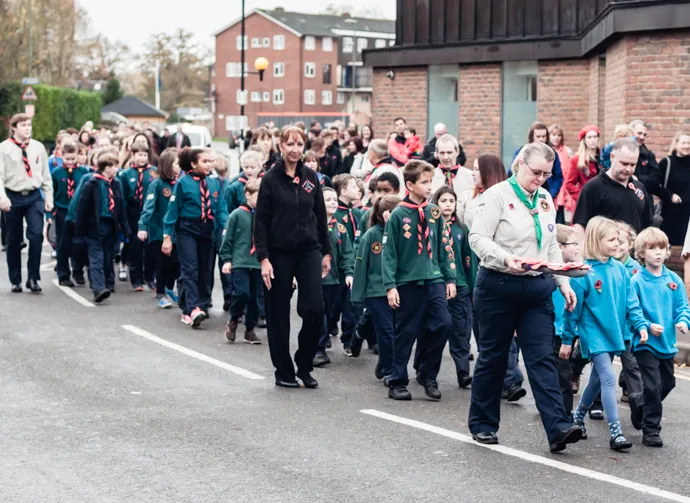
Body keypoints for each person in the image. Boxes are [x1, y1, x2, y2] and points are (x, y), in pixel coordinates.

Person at [469, 141, 581, 452]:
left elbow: (551, 246)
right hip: (498, 285)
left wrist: (564, 282)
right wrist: (505, 258)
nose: (541, 179)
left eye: (547, 174)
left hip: (536, 289)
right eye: (536, 172)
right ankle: (483, 424)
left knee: (542, 357)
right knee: (493, 357)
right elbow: (477, 238)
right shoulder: (497, 197)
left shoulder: (545, 199)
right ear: (519, 164)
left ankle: (558, 426)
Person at [561, 216, 649, 451]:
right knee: (609, 378)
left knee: (598, 380)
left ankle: (577, 417)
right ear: (595, 240)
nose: (618, 244)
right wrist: (568, 340)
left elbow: (632, 303)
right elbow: (572, 310)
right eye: (612, 239)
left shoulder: (620, 269)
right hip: (595, 334)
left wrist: (640, 325)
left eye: (619, 240)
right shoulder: (583, 273)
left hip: (615, 334)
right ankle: (615, 432)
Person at [254, 126, 331, 389]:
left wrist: (326, 251)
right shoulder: (270, 179)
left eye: (299, 144)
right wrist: (263, 258)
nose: (295, 149)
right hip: (278, 252)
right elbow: (261, 222)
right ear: (281, 146)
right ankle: (283, 371)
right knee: (278, 315)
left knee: (313, 308)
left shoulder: (311, 178)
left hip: (309, 249)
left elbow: (320, 216)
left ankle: (304, 364)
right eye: (290, 144)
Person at [382, 160, 456, 401]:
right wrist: (390, 286)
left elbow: (443, 246)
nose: (429, 186)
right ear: (410, 185)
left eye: (431, 181)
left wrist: (449, 278)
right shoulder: (398, 215)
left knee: (444, 323)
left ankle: (428, 374)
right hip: (408, 281)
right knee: (406, 332)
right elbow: (389, 252)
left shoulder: (434, 212)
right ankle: (397, 381)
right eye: (424, 182)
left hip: (434, 278)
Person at [630, 227, 690, 447]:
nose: (658, 252)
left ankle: (640, 402)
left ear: (667, 252)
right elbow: (631, 309)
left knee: (668, 383)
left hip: (667, 344)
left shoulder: (673, 279)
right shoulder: (636, 281)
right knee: (653, 386)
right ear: (641, 253)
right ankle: (651, 430)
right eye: (651, 248)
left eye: (661, 248)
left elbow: (682, 306)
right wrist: (646, 325)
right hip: (645, 342)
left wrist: (683, 321)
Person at [163, 148, 228, 328]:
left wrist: (228, 229)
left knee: (205, 270)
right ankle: (192, 310)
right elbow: (172, 211)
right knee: (190, 269)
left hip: (207, 231)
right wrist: (167, 236)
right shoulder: (183, 183)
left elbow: (221, 209)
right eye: (205, 161)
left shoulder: (214, 183)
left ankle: (194, 305)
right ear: (193, 164)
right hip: (187, 230)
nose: (209, 165)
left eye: (210, 161)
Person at [0, 113, 53, 293]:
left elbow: (46, 175)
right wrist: (2, 198)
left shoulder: (38, 147)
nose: (27, 128)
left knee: (36, 235)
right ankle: (16, 279)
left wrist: (48, 198)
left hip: (33, 196)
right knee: (13, 240)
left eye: (29, 125)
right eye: (23, 125)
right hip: (12, 196)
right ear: (14, 128)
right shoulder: (4, 148)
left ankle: (33, 277)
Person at [352, 194, 400, 381]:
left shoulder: (401, 233)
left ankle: (383, 364)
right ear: (382, 214)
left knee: (396, 332)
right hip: (377, 292)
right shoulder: (371, 235)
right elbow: (361, 265)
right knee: (386, 333)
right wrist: (358, 295)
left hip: (397, 290)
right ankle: (389, 369)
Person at [428, 186, 473, 388]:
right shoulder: (430, 226)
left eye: (451, 201)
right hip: (437, 284)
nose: (447, 205)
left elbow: (468, 260)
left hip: (461, 286)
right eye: (443, 200)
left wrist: (471, 286)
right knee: (434, 329)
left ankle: (463, 372)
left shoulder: (461, 229)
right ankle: (425, 368)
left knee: (460, 330)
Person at [75, 153, 130, 303]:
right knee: (96, 258)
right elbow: (82, 209)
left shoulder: (115, 184)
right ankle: (98, 289)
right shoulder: (91, 185)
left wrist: (126, 228)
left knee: (108, 256)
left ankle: (107, 283)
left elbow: (121, 206)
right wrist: (79, 232)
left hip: (111, 226)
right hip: (95, 226)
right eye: (115, 166)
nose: (118, 169)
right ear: (107, 168)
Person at [573, 137, 653, 236]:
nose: (628, 169)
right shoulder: (593, 187)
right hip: (603, 250)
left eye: (633, 165)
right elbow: (580, 225)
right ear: (612, 157)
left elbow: (648, 226)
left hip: (634, 249)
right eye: (624, 163)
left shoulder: (639, 187)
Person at [314, 187, 354, 366]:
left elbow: (347, 252)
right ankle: (318, 350)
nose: (332, 202)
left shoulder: (340, 228)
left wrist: (349, 272)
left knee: (331, 312)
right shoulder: (312, 225)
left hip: (335, 278)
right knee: (319, 312)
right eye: (328, 199)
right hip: (315, 278)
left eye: (334, 199)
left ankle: (325, 335)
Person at [221, 178, 263, 345]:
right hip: (240, 262)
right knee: (242, 293)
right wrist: (226, 259)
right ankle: (233, 319)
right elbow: (227, 238)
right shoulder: (237, 214)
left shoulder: (264, 217)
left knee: (255, 299)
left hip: (258, 262)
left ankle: (250, 330)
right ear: (248, 194)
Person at [137, 149, 181, 309]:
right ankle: (161, 293)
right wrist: (142, 226)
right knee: (162, 264)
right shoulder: (156, 184)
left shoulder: (180, 182)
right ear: (168, 165)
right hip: (158, 232)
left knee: (176, 263)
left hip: (175, 231)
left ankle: (170, 287)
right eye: (176, 163)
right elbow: (148, 207)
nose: (179, 166)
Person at [332, 174, 362, 354]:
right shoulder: (335, 213)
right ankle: (326, 331)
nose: (358, 190)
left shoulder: (356, 213)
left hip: (353, 266)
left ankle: (348, 340)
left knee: (351, 305)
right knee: (333, 305)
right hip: (337, 265)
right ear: (343, 191)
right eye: (354, 186)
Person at [52, 141, 89, 287]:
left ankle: (78, 271)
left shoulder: (84, 173)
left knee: (79, 243)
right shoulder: (56, 173)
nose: (70, 162)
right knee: (63, 244)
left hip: (79, 212)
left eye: (73, 159)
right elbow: (53, 192)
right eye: (67, 159)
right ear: (62, 156)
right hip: (62, 211)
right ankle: (63, 275)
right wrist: (51, 212)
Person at [121, 143, 157, 291]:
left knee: (150, 247)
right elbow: (122, 197)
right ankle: (135, 279)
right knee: (135, 247)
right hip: (133, 212)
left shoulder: (154, 172)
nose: (142, 158)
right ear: (133, 155)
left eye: (144, 155)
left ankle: (149, 277)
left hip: (150, 212)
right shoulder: (126, 174)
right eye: (139, 155)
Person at [553, 225, 580, 416]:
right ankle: (565, 412)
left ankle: (562, 410)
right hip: (553, 331)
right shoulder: (550, 273)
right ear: (560, 247)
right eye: (574, 244)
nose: (578, 248)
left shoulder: (577, 273)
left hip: (568, 332)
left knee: (563, 372)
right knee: (561, 373)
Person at [510, 122, 563, 201]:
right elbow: (511, 172)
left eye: (543, 136)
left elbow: (558, 177)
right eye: (538, 136)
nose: (541, 139)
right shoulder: (522, 151)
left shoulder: (552, 153)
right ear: (532, 137)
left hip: (545, 195)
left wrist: (551, 194)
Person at [656, 131, 690, 245]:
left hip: (688, 215)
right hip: (670, 214)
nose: (686, 146)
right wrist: (670, 195)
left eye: (689, 143)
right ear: (676, 144)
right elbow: (655, 185)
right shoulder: (667, 162)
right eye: (683, 143)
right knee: (666, 245)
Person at [566, 125, 600, 209]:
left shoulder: (604, 156)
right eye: (589, 137)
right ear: (584, 140)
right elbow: (569, 184)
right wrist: (582, 197)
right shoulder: (577, 159)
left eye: (595, 137)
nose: (592, 140)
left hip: (602, 200)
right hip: (586, 203)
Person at [549, 124, 574, 223]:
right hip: (553, 187)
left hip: (564, 188)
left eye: (559, 135)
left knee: (561, 219)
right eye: (554, 135)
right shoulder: (547, 150)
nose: (556, 138)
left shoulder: (567, 151)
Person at [629, 119, 660, 194]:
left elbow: (656, 177)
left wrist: (638, 179)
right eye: (639, 133)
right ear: (630, 133)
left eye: (644, 134)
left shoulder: (649, 155)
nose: (642, 137)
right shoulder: (619, 152)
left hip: (645, 198)